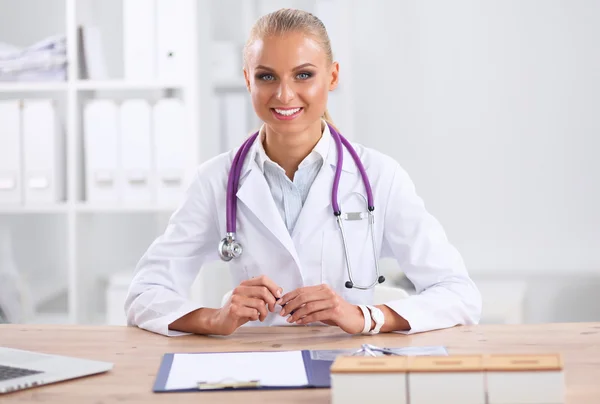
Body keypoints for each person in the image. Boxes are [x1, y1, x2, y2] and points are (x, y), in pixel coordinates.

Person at [124, 8, 481, 337]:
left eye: (304, 75)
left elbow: (458, 294)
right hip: (255, 367)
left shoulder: (379, 177)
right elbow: (144, 294)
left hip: (349, 367)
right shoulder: (215, 180)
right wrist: (215, 319)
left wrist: (364, 316)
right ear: (248, 79)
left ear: (333, 76)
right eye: (266, 76)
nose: (284, 94)